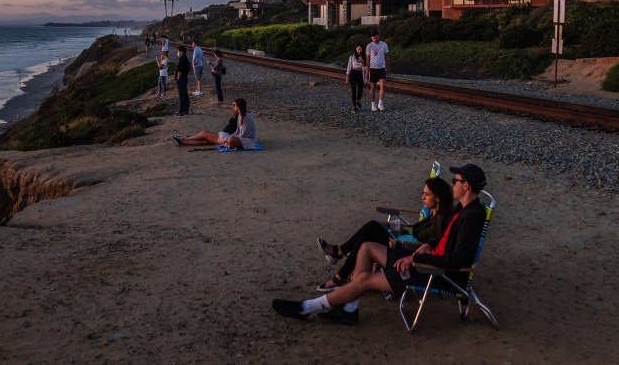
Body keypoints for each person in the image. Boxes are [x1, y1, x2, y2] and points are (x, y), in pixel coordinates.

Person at [272, 163, 487, 326]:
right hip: (425, 261)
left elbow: (458, 260)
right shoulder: (462, 209)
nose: (452, 184)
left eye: (455, 180)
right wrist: (429, 245)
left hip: (434, 272)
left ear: (466, 185)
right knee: (366, 247)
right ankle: (349, 309)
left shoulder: (472, 216)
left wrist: (415, 258)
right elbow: (443, 238)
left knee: (364, 279)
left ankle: (307, 307)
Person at [314, 176, 453, 292]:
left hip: (407, 252)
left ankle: (339, 260)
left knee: (371, 228)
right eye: (423, 193)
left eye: (427, 195)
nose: (422, 197)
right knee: (371, 229)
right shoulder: (433, 213)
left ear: (438, 198)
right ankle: (340, 264)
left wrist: (400, 243)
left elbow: (431, 247)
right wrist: (401, 231)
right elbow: (419, 234)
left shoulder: (442, 220)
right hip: (403, 242)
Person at [171, 98, 257, 149]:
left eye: (234, 105)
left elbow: (244, 134)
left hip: (244, 140)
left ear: (238, 106)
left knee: (205, 134)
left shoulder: (245, 117)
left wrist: (229, 138)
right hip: (239, 139)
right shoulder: (241, 116)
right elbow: (239, 132)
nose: (233, 107)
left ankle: (184, 140)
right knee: (206, 140)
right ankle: (183, 141)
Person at [366, 31, 389, 112]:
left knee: (383, 85)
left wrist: (388, 68)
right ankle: (373, 104)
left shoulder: (384, 45)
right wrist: (367, 70)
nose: (375, 39)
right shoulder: (369, 46)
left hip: (382, 68)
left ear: (379, 36)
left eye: (376, 37)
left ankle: (380, 103)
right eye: (373, 38)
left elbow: (386, 57)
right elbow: (368, 59)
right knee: (373, 87)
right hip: (373, 69)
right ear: (371, 38)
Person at [344, 44, 368, 112]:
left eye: (361, 49)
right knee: (353, 91)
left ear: (362, 50)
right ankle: (355, 106)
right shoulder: (352, 57)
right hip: (353, 73)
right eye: (358, 49)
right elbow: (349, 67)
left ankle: (357, 100)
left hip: (360, 74)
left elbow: (365, 68)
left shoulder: (364, 57)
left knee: (360, 90)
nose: (359, 50)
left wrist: (363, 62)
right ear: (356, 49)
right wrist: (347, 77)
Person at [175, 45, 191, 115]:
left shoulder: (182, 59)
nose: (177, 53)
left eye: (178, 51)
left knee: (182, 96)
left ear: (181, 52)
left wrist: (178, 78)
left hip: (181, 79)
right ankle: (186, 110)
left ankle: (182, 111)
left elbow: (180, 70)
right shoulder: (186, 58)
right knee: (185, 95)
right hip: (185, 78)